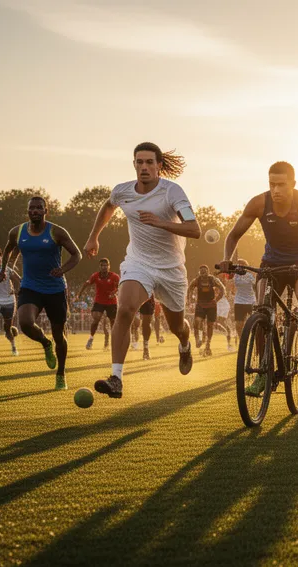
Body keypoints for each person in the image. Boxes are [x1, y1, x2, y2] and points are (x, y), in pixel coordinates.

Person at [84, 142, 199, 399]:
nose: (144, 167)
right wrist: (94, 237)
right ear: (134, 164)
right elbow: (108, 206)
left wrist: (161, 222)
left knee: (177, 326)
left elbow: (195, 229)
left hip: (171, 270)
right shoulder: (123, 191)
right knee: (124, 309)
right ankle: (116, 378)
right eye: (139, 162)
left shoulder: (172, 192)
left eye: (149, 162)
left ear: (160, 166)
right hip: (139, 263)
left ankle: (185, 344)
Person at [220, 161, 298, 397]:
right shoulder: (259, 203)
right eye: (271, 184)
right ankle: (262, 373)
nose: (276, 190)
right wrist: (227, 258)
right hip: (272, 263)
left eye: (281, 184)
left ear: (293, 184)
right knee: (262, 311)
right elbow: (234, 235)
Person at [0, 196, 82, 390]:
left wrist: (63, 269)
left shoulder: (56, 231)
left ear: (46, 211)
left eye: (39, 208)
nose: (35, 211)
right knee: (26, 323)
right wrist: (4, 269)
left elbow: (76, 254)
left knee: (59, 336)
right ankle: (45, 343)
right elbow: (9, 249)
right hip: (30, 286)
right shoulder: (17, 232)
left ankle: (61, 374)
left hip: (55, 289)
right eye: (31, 208)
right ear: (27, 211)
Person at [75, 258, 120, 351]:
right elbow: (86, 283)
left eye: (106, 265)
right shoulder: (95, 276)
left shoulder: (114, 276)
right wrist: (79, 294)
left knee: (113, 323)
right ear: (99, 267)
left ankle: (114, 342)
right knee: (96, 318)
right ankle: (91, 339)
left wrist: (114, 292)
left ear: (109, 266)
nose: (104, 267)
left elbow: (121, 286)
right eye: (102, 265)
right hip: (99, 301)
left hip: (111, 302)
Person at [187, 265, 226, 357]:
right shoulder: (197, 280)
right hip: (200, 304)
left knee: (210, 325)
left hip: (211, 305)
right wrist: (189, 301)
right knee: (197, 322)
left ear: (208, 272)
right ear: (199, 272)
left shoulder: (212, 279)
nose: (203, 273)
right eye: (201, 271)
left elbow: (222, 288)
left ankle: (208, 344)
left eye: (205, 271)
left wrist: (216, 300)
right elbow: (190, 288)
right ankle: (198, 339)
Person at [232, 258, 257, 345]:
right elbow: (230, 285)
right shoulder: (235, 275)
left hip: (251, 301)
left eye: (241, 265)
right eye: (238, 265)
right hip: (239, 301)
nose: (239, 267)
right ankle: (242, 342)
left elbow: (255, 286)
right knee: (239, 324)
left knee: (254, 322)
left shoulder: (250, 275)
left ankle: (255, 340)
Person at [132, 295, 162, 360]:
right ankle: (134, 341)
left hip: (147, 301)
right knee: (135, 324)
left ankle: (146, 347)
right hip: (134, 299)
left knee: (146, 323)